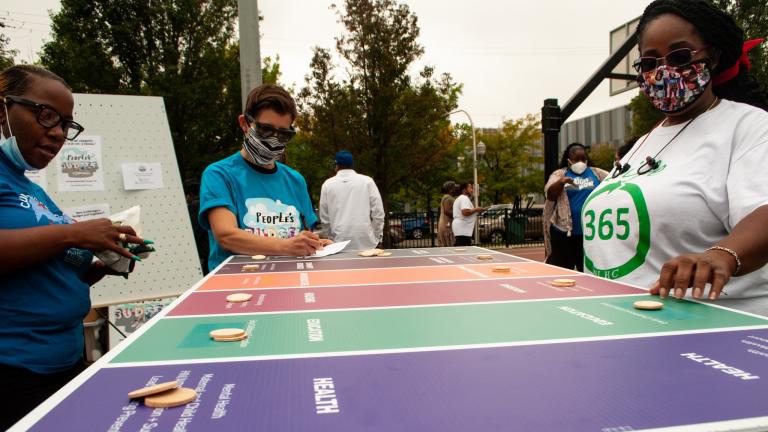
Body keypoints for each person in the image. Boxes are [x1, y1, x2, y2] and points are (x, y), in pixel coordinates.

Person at [582, 0, 768, 315]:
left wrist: (722, 255)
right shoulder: (645, 142)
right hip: (621, 321)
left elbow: (763, 209)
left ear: (713, 57)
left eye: (680, 56)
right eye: (649, 62)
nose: (662, 71)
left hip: (709, 324)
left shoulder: (749, 125)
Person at [0, 65, 148, 429]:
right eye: (46, 115)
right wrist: (75, 235)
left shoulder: (30, 188)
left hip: (63, 363)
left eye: (66, 124)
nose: (57, 133)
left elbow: (45, 271)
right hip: (15, 375)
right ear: (3, 109)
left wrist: (103, 265)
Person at [199, 84, 331, 270]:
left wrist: (314, 244)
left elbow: (303, 234)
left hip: (290, 280)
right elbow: (226, 236)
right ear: (245, 123)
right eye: (265, 130)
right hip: (237, 282)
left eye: (283, 134)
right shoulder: (219, 174)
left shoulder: (295, 180)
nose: (274, 139)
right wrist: (286, 246)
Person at [544, 143, 609, 271]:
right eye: (576, 159)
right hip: (564, 233)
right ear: (569, 160)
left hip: (589, 234)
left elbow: (615, 180)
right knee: (562, 272)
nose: (580, 162)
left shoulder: (596, 173)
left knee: (587, 271)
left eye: (583, 159)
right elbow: (550, 194)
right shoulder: (560, 174)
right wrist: (561, 182)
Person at [319, 150, 384, 250]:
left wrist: (330, 238)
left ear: (336, 166)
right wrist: (376, 236)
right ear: (352, 164)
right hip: (366, 240)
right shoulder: (367, 181)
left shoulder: (327, 185)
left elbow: (324, 217)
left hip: (338, 241)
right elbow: (378, 212)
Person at [452, 182, 484, 246]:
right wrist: (476, 209)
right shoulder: (464, 198)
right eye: (470, 188)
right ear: (464, 190)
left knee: (462, 247)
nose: (472, 190)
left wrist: (476, 211)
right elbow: (465, 212)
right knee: (463, 248)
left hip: (462, 228)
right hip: (462, 228)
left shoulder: (460, 198)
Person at [437, 180, 458, 247]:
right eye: (454, 188)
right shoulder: (448, 198)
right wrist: (458, 214)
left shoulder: (446, 197)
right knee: (449, 248)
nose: (456, 189)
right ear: (450, 189)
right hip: (447, 226)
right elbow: (446, 211)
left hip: (444, 225)